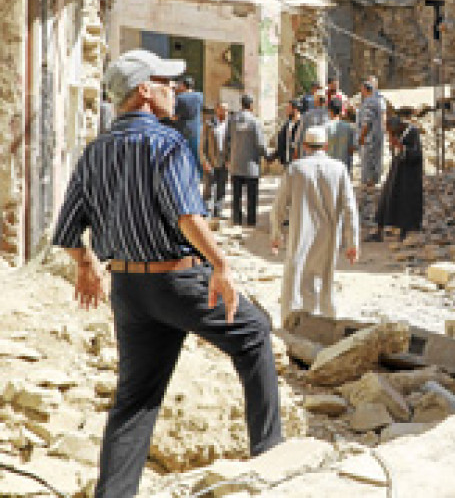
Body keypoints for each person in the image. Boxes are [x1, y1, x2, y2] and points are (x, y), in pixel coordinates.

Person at [50, 49, 282, 497]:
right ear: (143, 90)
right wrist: (221, 265)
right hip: (177, 281)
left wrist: (85, 267)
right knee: (253, 334)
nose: (175, 89)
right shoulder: (167, 142)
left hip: (129, 290)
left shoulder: (95, 151)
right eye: (166, 81)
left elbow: (65, 230)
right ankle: (272, 459)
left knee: (135, 399)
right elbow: (187, 216)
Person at [271, 125, 359, 323]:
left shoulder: (295, 169)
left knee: (295, 281)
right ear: (326, 146)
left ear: (304, 145)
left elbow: (278, 207)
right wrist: (352, 242)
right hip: (329, 237)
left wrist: (276, 235)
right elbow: (350, 208)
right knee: (325, 282)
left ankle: (291, 325)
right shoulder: (339, 169)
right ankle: (326, 325)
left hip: (300, 233)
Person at [371, 116, 423, 243]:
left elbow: (416, 154)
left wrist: (400, 147)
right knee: (386, 198)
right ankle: (379, 230)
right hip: (397, 170)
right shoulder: (399, 133)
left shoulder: (412, 132)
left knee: (405, 202)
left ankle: (404, 231)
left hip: (409, 175)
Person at [225, 94, 266, 228]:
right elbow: (260, 143)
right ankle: (251, 220)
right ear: (251, 105)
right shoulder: (254, 121)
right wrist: (267, 155)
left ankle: (236, 219)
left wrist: (228, 157)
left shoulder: (232, 119)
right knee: (251, 195)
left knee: (236, 195)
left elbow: (227, 140)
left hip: (236, 163)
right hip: (251, 164)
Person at [201, 102, 229, 219]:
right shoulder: (209, 125)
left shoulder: (229, 126)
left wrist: (230, 160)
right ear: (217, 110)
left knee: (221, 188)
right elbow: (202, 146)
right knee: (209, 188)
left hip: (224, 162)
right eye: (222, 109)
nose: (225, 112)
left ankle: (218, 211)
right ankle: (206, 211)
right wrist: (205, 161)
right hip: (211, 162)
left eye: (226, 110)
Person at [358, 78, 386, 188]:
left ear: (366, 89)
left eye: (362, 89)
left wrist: (362, 136)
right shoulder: (376, 101)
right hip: (376, 136)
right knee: (375, 159)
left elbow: (367, 122)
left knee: (368, 160)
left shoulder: (369, 102)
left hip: (370, 138)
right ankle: (373, 181)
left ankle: (369, 183)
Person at [175, 76, 203, 168]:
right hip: (196, 129)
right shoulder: (200, 96)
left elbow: (175, 116)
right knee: (196, 155)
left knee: (182, 156)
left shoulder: (179, 98)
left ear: (183, 85)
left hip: (183, 129)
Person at [325, 96, 358, 172]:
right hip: (344, 168)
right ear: (341, 110)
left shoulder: (325, 127)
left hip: (328, 168)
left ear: (329, 110)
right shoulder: (349, 128)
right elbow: (352, 148)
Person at [295, 88, 329, 160]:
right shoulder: (329, 116)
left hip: (308, 152)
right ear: (325, 102)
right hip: (324, 151)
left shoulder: (306, 115)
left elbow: (299, 134)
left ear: (315, 101)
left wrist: (296, 150)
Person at [269, 99, 302, 167]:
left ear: (295, 110)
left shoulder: (302, 125)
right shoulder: (287, 125)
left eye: (288, 108)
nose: (286, 110)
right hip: (287, 163)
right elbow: (282, 143)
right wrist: (273, 156)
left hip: (298, 164)